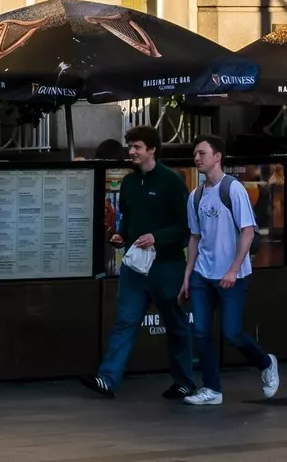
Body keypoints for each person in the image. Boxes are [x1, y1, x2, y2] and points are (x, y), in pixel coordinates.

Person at [87, 125, 198, 400]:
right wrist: (120, 236)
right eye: (130, 147)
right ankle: (107, 379)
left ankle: (184, 382)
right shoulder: (129, 183)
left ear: (152, 149)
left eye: (137, 147)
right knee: (125, 321)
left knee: (175, 323)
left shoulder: (171, 182)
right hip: (135, 266)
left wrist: (156, 238)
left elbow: (185, 226)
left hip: (166, 266)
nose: (131, 152)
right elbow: (127, 218)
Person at [180, 135, 281, 404]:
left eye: (202, 153)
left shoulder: (233, 189)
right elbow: (194, 237)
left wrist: (233, 270)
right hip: (203, 273)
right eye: (195, 154)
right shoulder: (195, 196)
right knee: (201, 331)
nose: (197, 158)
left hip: (231, 275)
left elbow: (248, 232)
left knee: (232, 332)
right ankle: (212, 389)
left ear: (218, 156)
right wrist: (188, 275)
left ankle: (266, 363)